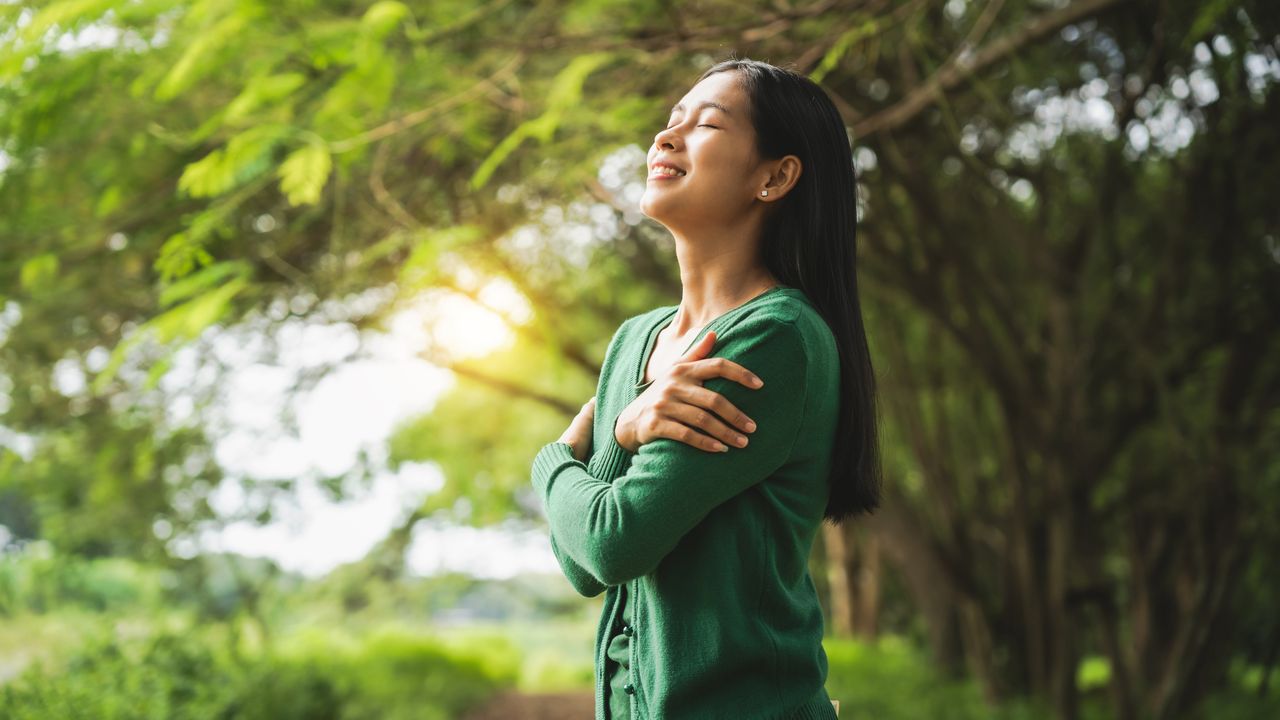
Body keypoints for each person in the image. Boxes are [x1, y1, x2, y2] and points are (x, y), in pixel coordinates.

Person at [529, 58, 883, 719]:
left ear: (774, 176)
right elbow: (582, 567)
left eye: (708, 123)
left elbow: (610, 540)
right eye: (671, 121)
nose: (667, 137)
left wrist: (552, 461)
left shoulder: (774, 338)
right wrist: (620, 435)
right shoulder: (635, 341)